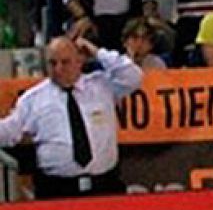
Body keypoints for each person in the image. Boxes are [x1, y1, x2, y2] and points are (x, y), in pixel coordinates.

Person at [0, 37, 142, 199]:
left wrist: (97, 52)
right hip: (56, 190)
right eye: (52, 63)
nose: (58, 69)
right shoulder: (33, 99)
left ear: (79, 61)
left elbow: (133, 76)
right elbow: (9, 131)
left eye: (65, 62)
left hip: (104, 186)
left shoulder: (101, 86)